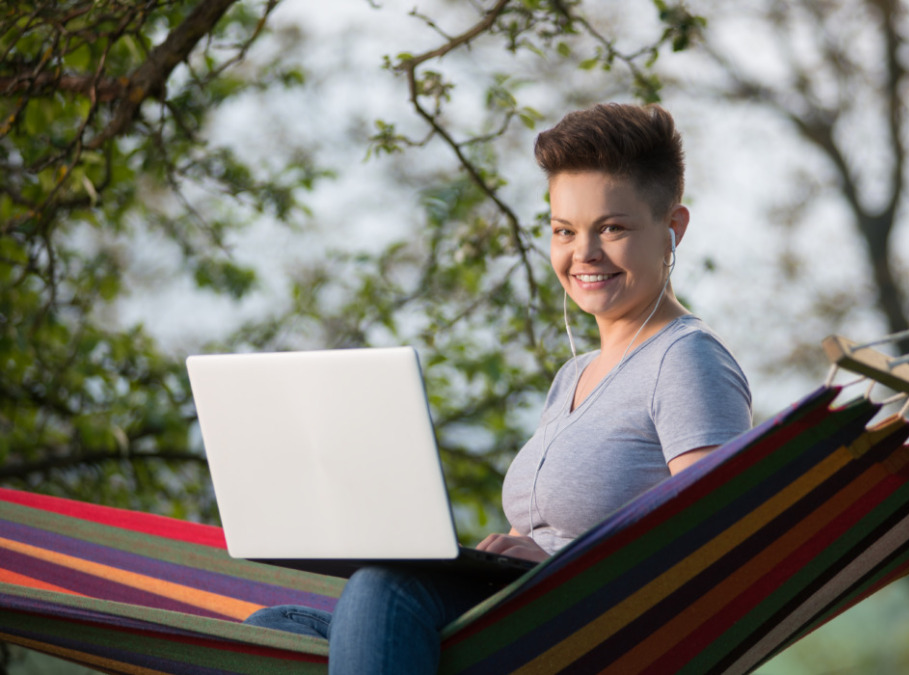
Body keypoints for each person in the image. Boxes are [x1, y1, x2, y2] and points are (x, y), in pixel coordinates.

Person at [243, 102, 753, 674]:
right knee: (275, 630)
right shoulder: (574, 376)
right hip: (519, 614)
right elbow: (538, 531)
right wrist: (501, 555)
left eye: (611, 227)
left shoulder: (688, 359)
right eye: (564, 230)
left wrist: (560, 567)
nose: (583, 253)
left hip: (591, 632)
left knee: (387, 590)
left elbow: (716, 546)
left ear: (672, 229)